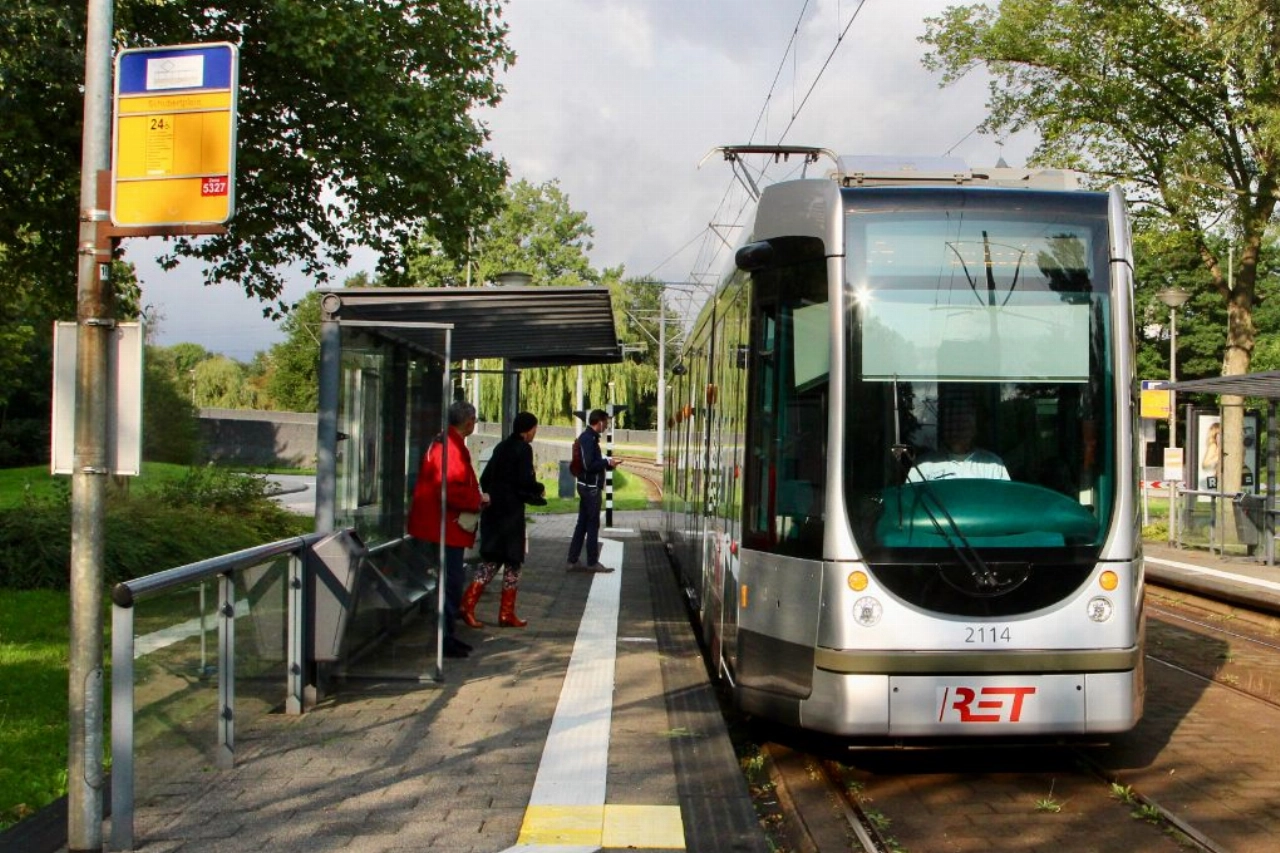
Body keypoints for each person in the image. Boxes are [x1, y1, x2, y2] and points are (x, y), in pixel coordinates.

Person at [407, 400, 489, 658]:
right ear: (467, 422)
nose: (475, 424)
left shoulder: (446, 443)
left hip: (440, 524)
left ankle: (448, 634)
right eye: (474, 420)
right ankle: (445, 637)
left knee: (452, 579)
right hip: (444, 526)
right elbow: (451, 489)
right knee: (452, 581)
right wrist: (478, 500)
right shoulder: (450, 448)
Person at [461, 411, 547, 629]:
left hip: (494, 512)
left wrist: (494, 495)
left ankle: (472, 605)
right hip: (510, 515)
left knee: (493, 560)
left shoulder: (501, 448)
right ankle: (498, 612)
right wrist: (538, 491)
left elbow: (485, 477)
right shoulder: (523, 449)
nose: (535, 433)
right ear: (528, 430)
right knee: (511, 561)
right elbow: (525, 481)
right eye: (534, 429)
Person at [566, 408, 620, 572]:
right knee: (592, 524)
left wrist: (605, 461)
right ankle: (592, 562)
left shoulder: (587, 437)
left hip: (585, 486)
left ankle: (572, 560)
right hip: (591, 488)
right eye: (606, 423)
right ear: (600, 422)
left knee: (582, 524)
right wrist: (607, 463)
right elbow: (589, 465)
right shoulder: (589, 439)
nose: (606, 426)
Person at [908, 407, 1009, 482]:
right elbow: (909, 502)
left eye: (963, 427)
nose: (956, 432)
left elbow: (1004, 502)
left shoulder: (993, 464)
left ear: (973, 431)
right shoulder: (924, 465)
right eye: (952, 427)